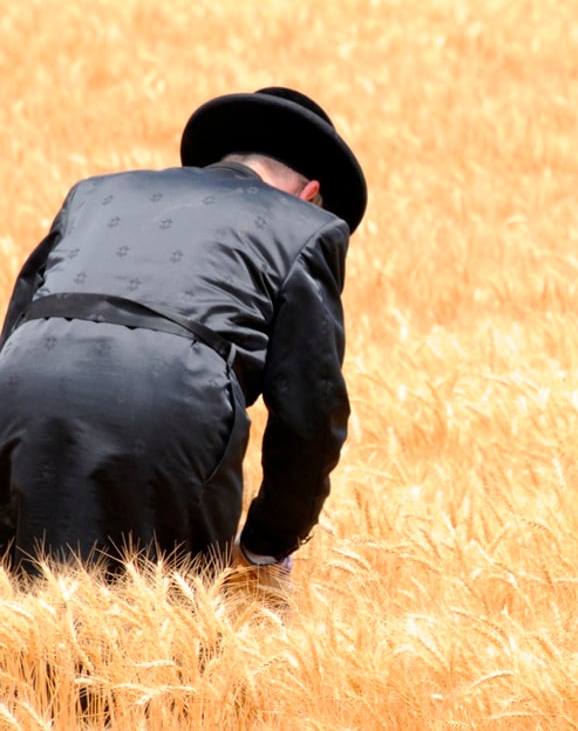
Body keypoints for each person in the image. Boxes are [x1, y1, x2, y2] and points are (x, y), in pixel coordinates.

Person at [0, 87, 367, 590]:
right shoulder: (307, 226)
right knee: (168, 627)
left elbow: (19, 317)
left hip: (24, 379)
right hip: (171, 395)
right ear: (310, 194)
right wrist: (267, 544)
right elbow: (311, 411)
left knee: (24, 611)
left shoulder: (94, 191)